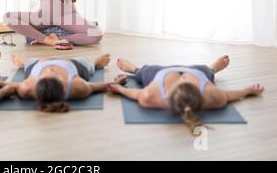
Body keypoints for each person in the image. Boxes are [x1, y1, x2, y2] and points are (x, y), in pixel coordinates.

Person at [108, 55, 265, 133]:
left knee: (143, 72)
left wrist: (119, 89)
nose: (181, 78)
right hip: (197, 72)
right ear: (201, 96)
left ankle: (134, 69)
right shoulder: (213, 97)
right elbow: (231, 95)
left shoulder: (151, 96)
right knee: (207, 72)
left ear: (168, 97)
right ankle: (212, 69)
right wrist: (248, 91)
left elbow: (135, 94)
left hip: (162, 73)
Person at [0, 53, 125, 112]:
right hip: (74, 65)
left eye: (47, 75)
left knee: (28, 64)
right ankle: (95, 62)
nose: (50, 70)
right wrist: (116, 83)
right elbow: (98, 87)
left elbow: (12, 87)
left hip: (36, 64)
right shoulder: (78, 87)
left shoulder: (27, 88)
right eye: (52, 74)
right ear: (64, 86)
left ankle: (23, 62)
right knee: (88, 64)